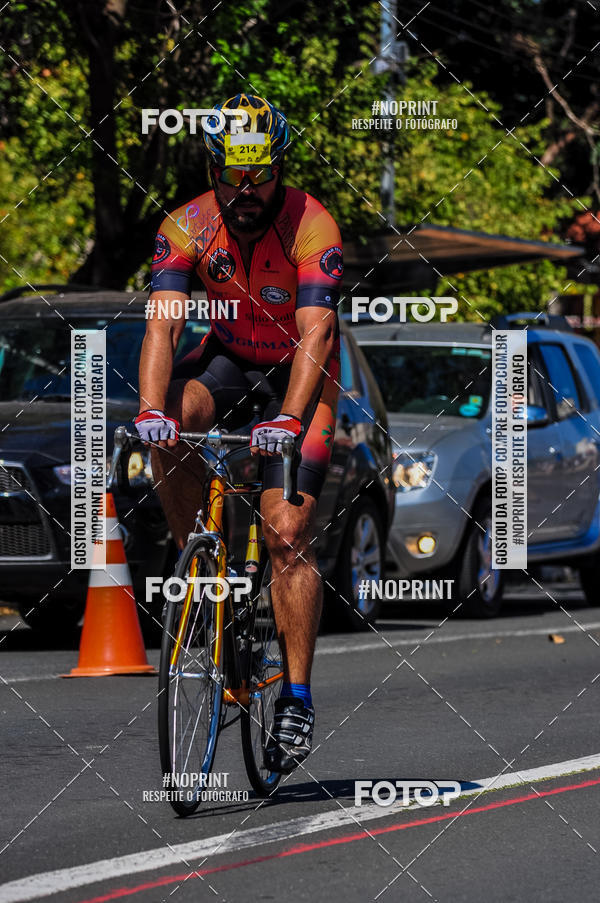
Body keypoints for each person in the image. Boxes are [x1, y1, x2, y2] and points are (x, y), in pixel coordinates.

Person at [135, 93, 343, 774]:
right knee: (169, 427)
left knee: (286, 534)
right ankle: (205, 563)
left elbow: (317, 331)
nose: (246, 191)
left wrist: (288, 417)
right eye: (233, 175)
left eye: (260, 176)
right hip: (226, 360)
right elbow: (164, 323)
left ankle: (299, 699)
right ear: (214, 165)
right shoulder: (188, 222)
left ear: (279, 167)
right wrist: (148, 407)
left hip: (299, 375)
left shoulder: (312, 224)